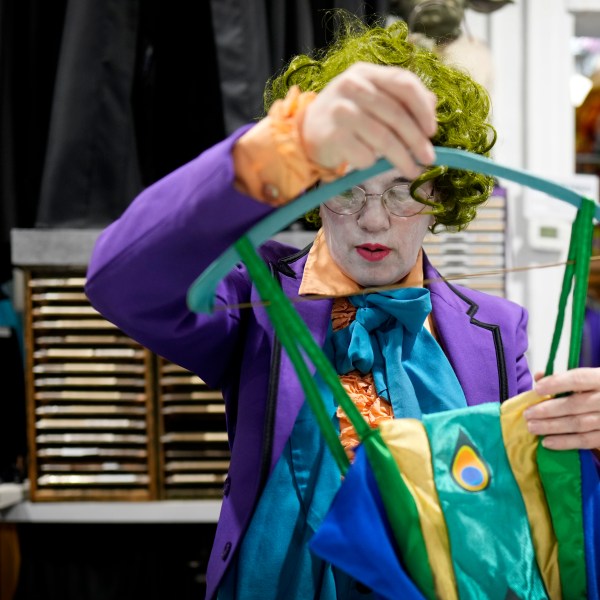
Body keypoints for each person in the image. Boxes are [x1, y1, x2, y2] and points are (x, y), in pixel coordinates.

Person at [85, 14, 600, 599]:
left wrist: (588, 442)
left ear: (442, 194)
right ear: (312, 187)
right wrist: (281, 148)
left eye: (405, 189)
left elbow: (527, 507)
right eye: (346, 188)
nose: (374, 220)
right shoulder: (258, 302)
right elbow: (119, 282)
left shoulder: (497, 331)